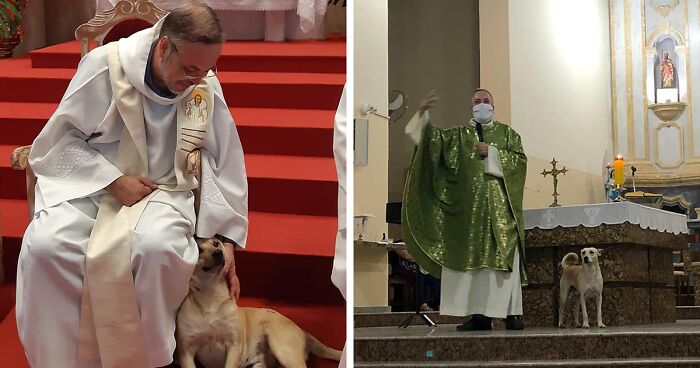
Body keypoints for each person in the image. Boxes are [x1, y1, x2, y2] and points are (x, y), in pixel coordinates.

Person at [16, 4, 248, 367]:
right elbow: (58, 143)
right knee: (47, 247)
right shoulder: (103, 67)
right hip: (89, 186)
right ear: (162, 47)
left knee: (157, 248)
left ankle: (148, 360)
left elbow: (222, 159)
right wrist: (111, 180)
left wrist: (224, 234)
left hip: (163, 190)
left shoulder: (203, 83)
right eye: (190, 69)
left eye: (207, 69)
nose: (198, 79)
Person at [402, 88, 527, 331]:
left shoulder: (508, 134)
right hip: (468, 217)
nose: (482, 105)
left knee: (503, 267)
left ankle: (512, 315)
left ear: (493, 105)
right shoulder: (458, 137)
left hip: (501, 215)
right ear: (471, 106)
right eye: (477, 101)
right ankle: (480, 317)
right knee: (475, 269)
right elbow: (431, 143)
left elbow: (520, 163)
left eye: (486, 101)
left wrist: (492, 153)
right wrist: (423, 115)